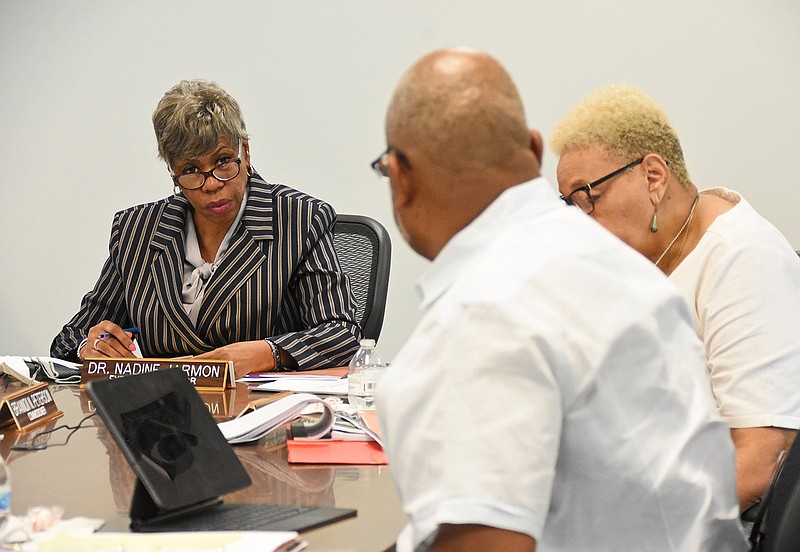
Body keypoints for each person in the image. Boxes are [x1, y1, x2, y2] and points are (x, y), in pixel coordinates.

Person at [373, 48, 747, 551]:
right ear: (533, 149)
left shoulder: (482, 313)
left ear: (401, 178)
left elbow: (488, 543)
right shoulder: (618, 264)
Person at [549, 84, 800, 513]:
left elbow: (761, 461)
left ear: (653, 176)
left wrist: (628, 530)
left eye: (587, 196)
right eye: (571, 205)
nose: (580, 221)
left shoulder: (743, 259)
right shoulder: (643, 258)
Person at [51, 80, 360, 376]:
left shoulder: (299, 219)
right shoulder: (136, 233)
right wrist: (88, 348)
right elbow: (68, 339)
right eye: (191, 170)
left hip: (263, 409)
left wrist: (269, 353)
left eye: (224, 161)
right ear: (173, 174)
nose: (211, 184)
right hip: (165, 412)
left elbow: (341, 332)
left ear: (246, 153)